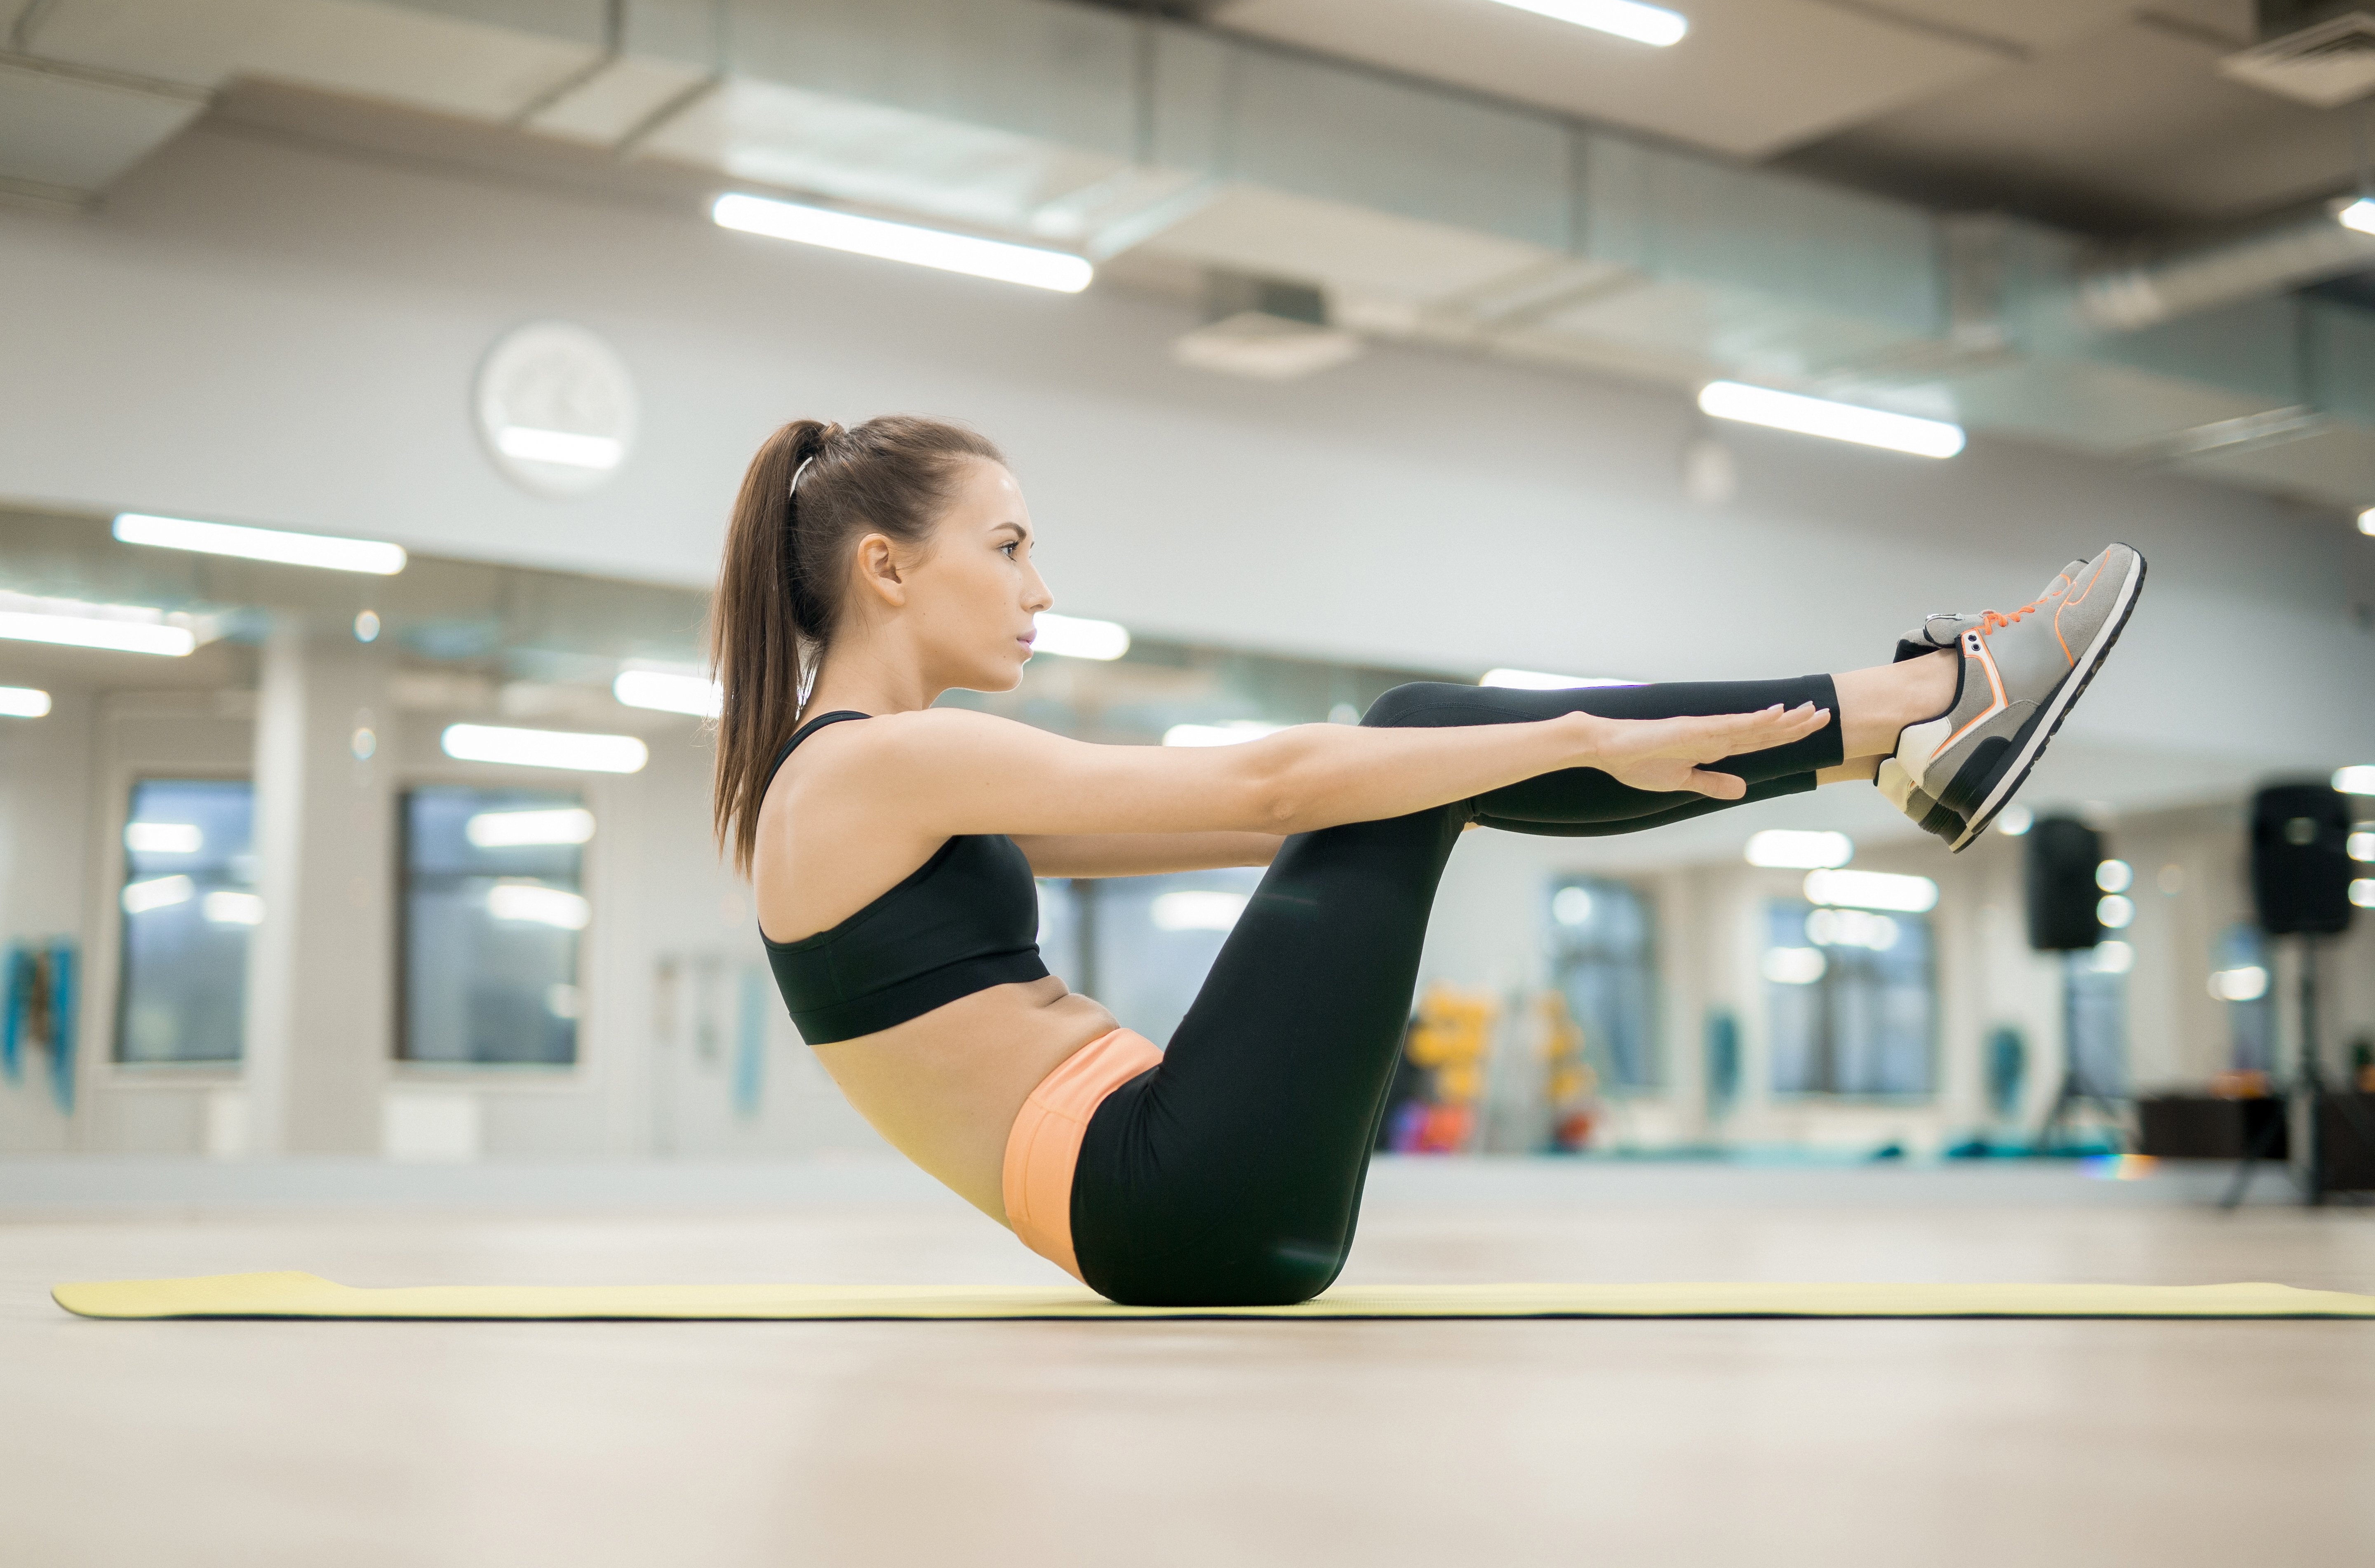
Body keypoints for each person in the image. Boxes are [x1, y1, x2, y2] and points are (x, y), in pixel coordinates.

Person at [709, 415, 2145, 1306]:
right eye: (1009, 548)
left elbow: (1283, 814)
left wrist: (1517, 762)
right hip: (1167, 1193)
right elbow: (1278, 777)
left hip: (1173, 1204)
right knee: (1407, 735)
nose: (1039, 591)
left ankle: (1895, 731)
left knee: (1409, 759)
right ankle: (1918, 704)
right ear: (887, 570)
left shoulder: (864, 779)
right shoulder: (877, 762)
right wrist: (1568, 730)